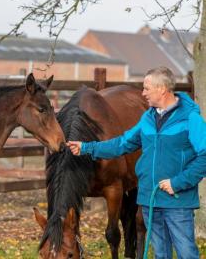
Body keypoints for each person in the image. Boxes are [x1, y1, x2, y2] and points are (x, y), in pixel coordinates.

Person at [67, 66, 206, 259]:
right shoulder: (148, 118)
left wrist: (178, 182)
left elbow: (204, 156)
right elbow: (122, 144)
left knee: (186, 253)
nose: (143, 93)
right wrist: (87, 148)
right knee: (161, 253)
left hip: (177, 202)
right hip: (150, 199)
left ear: (162, 89)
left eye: (147, 88)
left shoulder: (190, 119)